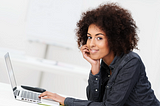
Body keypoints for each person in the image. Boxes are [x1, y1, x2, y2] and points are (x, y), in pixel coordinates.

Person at [39, 2, 160, 106]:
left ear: (114, 39)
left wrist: (65, 100)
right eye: (89, 37)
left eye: (99, 38)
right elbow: (94, 101)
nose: (91, 44)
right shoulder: (104, 63)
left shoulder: (131, 62)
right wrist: (95, 68)